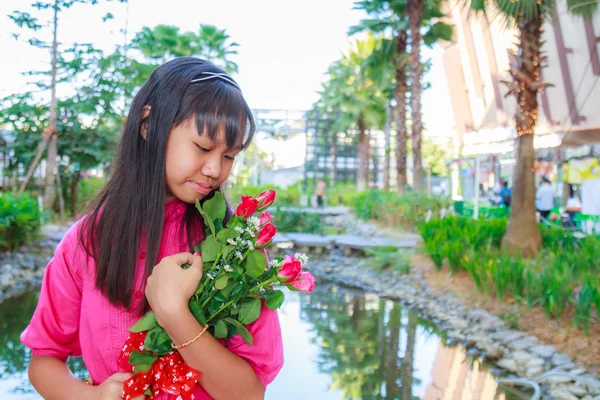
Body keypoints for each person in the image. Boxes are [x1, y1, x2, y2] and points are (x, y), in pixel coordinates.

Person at [20, 58, 283, 400]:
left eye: (230, 155)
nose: (215, 169)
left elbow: (248, 394)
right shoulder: (86, 243)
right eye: (203, 147)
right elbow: (44, 359)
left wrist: (174, 313)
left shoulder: (238, 251)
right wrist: (92, 396)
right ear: (148, 125)